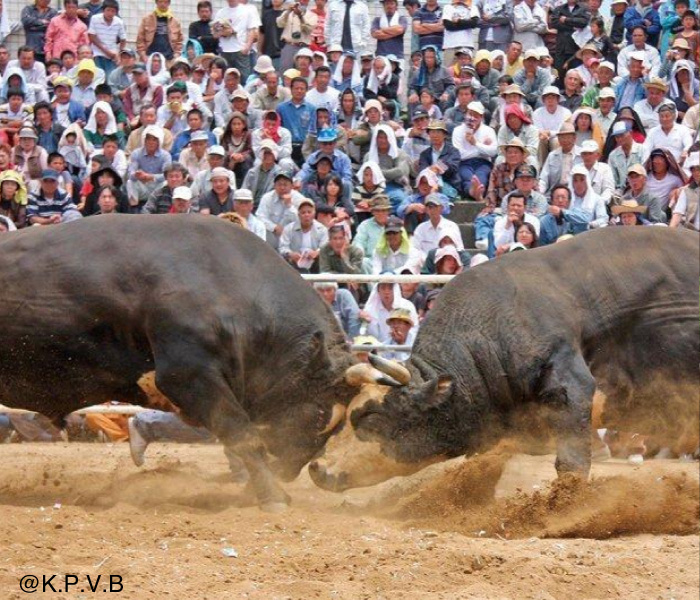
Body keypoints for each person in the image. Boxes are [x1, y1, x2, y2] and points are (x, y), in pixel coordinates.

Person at [452, 100, 497, 192]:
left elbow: (493, 151)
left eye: (476, 115)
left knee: (481, 176)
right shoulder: (457, 130)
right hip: (464, 163)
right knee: (467, 177)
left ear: (481, 117)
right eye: (470, 114)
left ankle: (477, 193)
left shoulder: (489, 131)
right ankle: (474, 194)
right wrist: (481, 151)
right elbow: (458, 154)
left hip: (483, 163)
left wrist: (475, 143)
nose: (472, 118)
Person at [279, 197, 328, 271]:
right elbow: (282, 248)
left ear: (314, 213)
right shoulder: (289, 229)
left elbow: (325, 247)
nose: (306, 215)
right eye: (303, 212)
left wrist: (316, 253)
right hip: (293, 263)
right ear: (298, 214)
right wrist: (291, 254)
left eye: (309, 212)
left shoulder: (322, 229)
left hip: (315, 263)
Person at [257, 171, 302, 248]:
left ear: (291, 186)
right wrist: (274, 227)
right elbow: (260, 217)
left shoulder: (299, 199)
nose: (282, 187)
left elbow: (301, 221)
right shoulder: (267, 198)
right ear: (274, 186)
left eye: (285, 184)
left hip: (291, 238)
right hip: (271, 236)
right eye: (279, 184)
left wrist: (289, 206)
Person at [539, 121, 578, 199]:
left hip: (575, 194)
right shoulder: (552, 156)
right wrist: (539, 191)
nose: (565, 140)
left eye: (568, 137)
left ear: (574, 138)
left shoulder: (581, 155)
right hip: (555, 193)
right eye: (562, 137)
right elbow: (544, 178)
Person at [87, 0, 126, 76]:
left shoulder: (119, 22)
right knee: (98, 78)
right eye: (108, 10)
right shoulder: (95, 18)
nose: (110, 13)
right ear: (103, 10)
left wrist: (119, 54)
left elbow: (123, 39)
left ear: (116, 12)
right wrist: (106, 51)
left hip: (112, 55)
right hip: (97, 53)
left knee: (110, 78)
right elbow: (92, 37)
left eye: (113, 11)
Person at [670, 151, 700, 230]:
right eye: (693, 170)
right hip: (691, 232)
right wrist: (670, 231)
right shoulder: (686, 191)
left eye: (699, 169)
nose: (696, 173)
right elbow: (678, 214)